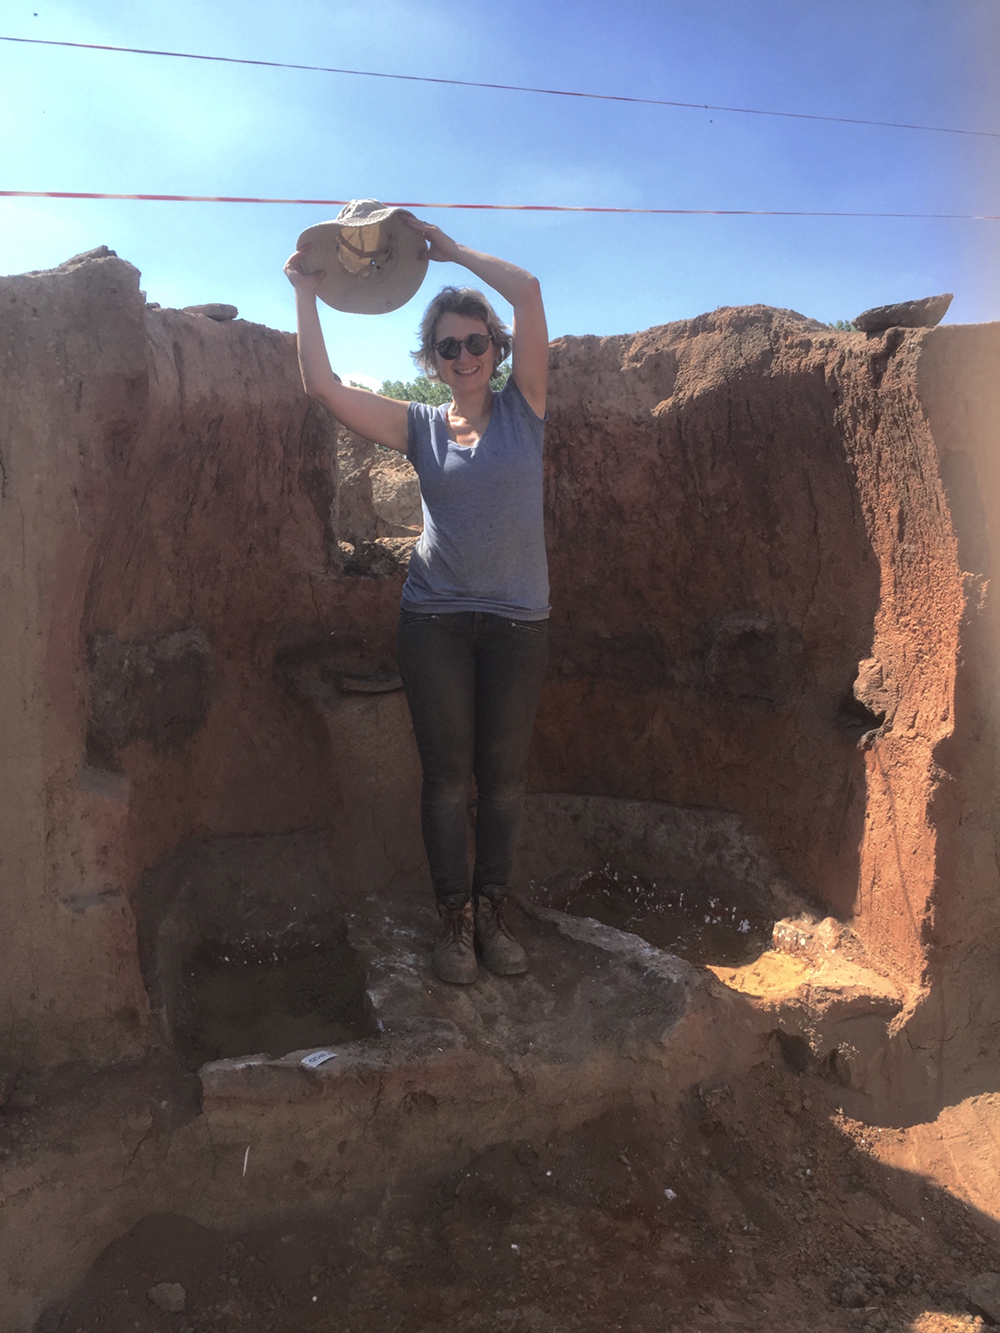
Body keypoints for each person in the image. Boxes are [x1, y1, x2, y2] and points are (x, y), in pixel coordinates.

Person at [284, 215, 550, 985]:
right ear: (431, 361)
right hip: (433, 622)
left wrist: (453, 252)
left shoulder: (527, 410)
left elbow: (529, 292)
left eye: (476, 343)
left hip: (518, 624)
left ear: (495, 351)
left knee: (501, 778)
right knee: (445, 779)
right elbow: (324, 388)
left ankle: (494, 913)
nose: (464, 356)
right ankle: (455, 924)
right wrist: (306, 293)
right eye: (448, 346)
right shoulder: (421, 428)